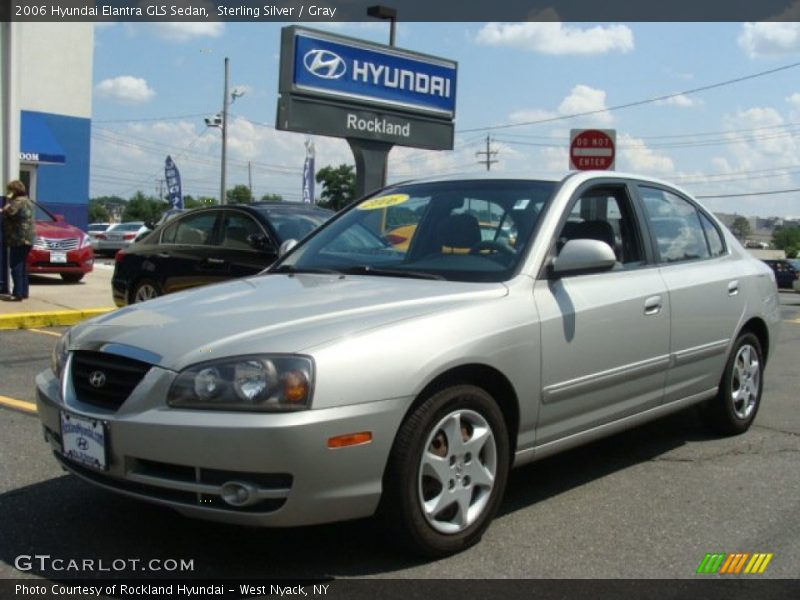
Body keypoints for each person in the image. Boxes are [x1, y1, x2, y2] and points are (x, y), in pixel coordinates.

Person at [1, 180, 35, 301]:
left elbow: (9, 212)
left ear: (14, 191)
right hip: (28, 238)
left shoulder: (17, 202)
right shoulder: (27, 201)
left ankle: (17, 294)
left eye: (9, 190)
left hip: (18, 238)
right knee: (22, 266)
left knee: (15, 266)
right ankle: (23, 292)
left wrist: (7, 202)